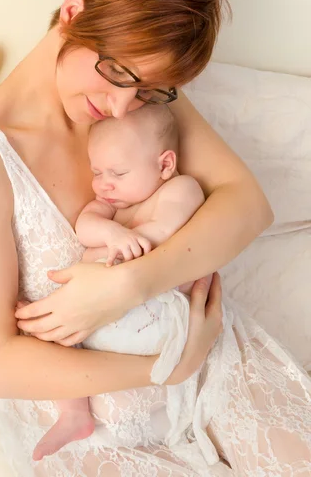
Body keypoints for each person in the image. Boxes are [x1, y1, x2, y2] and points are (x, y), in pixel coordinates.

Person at [0, 0, 311, 477]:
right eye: (119, 78)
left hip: (216, 360)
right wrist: (170, 366)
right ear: (73, 10)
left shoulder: (145, 99)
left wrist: (132, 282)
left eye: (149, 92)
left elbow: (247, 205)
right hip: (99, 427)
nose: (119, 108)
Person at [32, 104, 210, 460]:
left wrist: (119, 246)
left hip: (155, 310)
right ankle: (74, 414)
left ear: (164, 165)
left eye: (118, 172)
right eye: (97, 171)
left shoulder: (180, 189)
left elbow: (163, 234)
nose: (103, 183)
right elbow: (85, 228)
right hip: (107, 314)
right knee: (51, 338)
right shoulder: (109, 206)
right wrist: (110, 232)